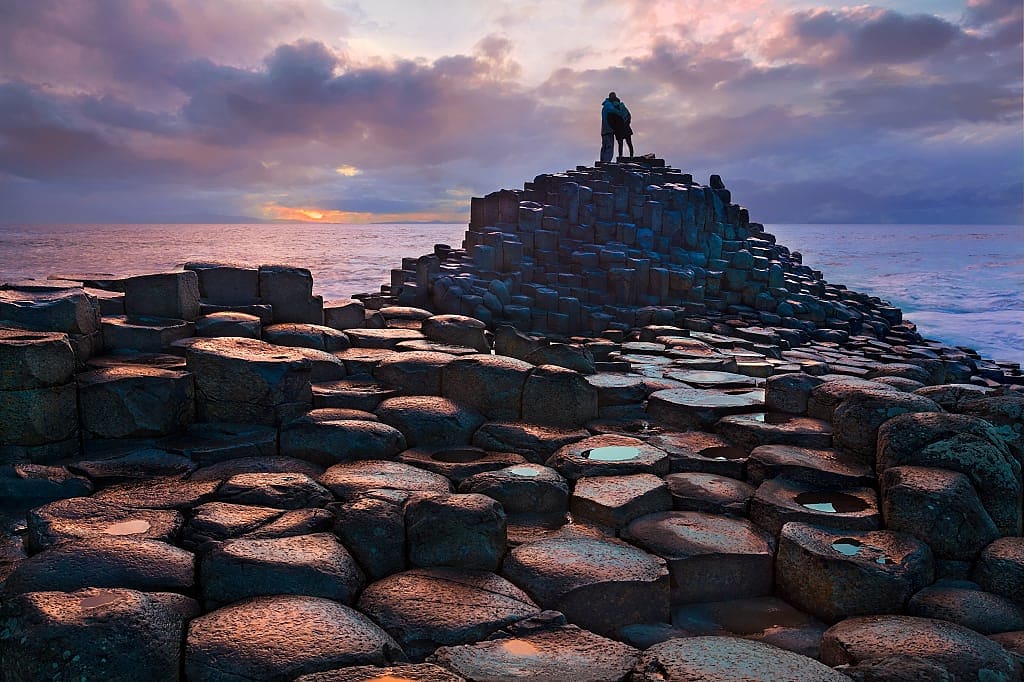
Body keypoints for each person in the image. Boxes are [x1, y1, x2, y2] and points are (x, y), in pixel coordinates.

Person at [600, 92, 633, 162]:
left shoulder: (608, 107)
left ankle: (617, 158)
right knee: (628, 143)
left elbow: (611, 120)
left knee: (614, 145)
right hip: (619, 129)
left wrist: (615, 127)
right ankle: (630, 156)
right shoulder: (613, 107)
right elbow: (628, 116)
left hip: (614, 129)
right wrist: (626, 123)